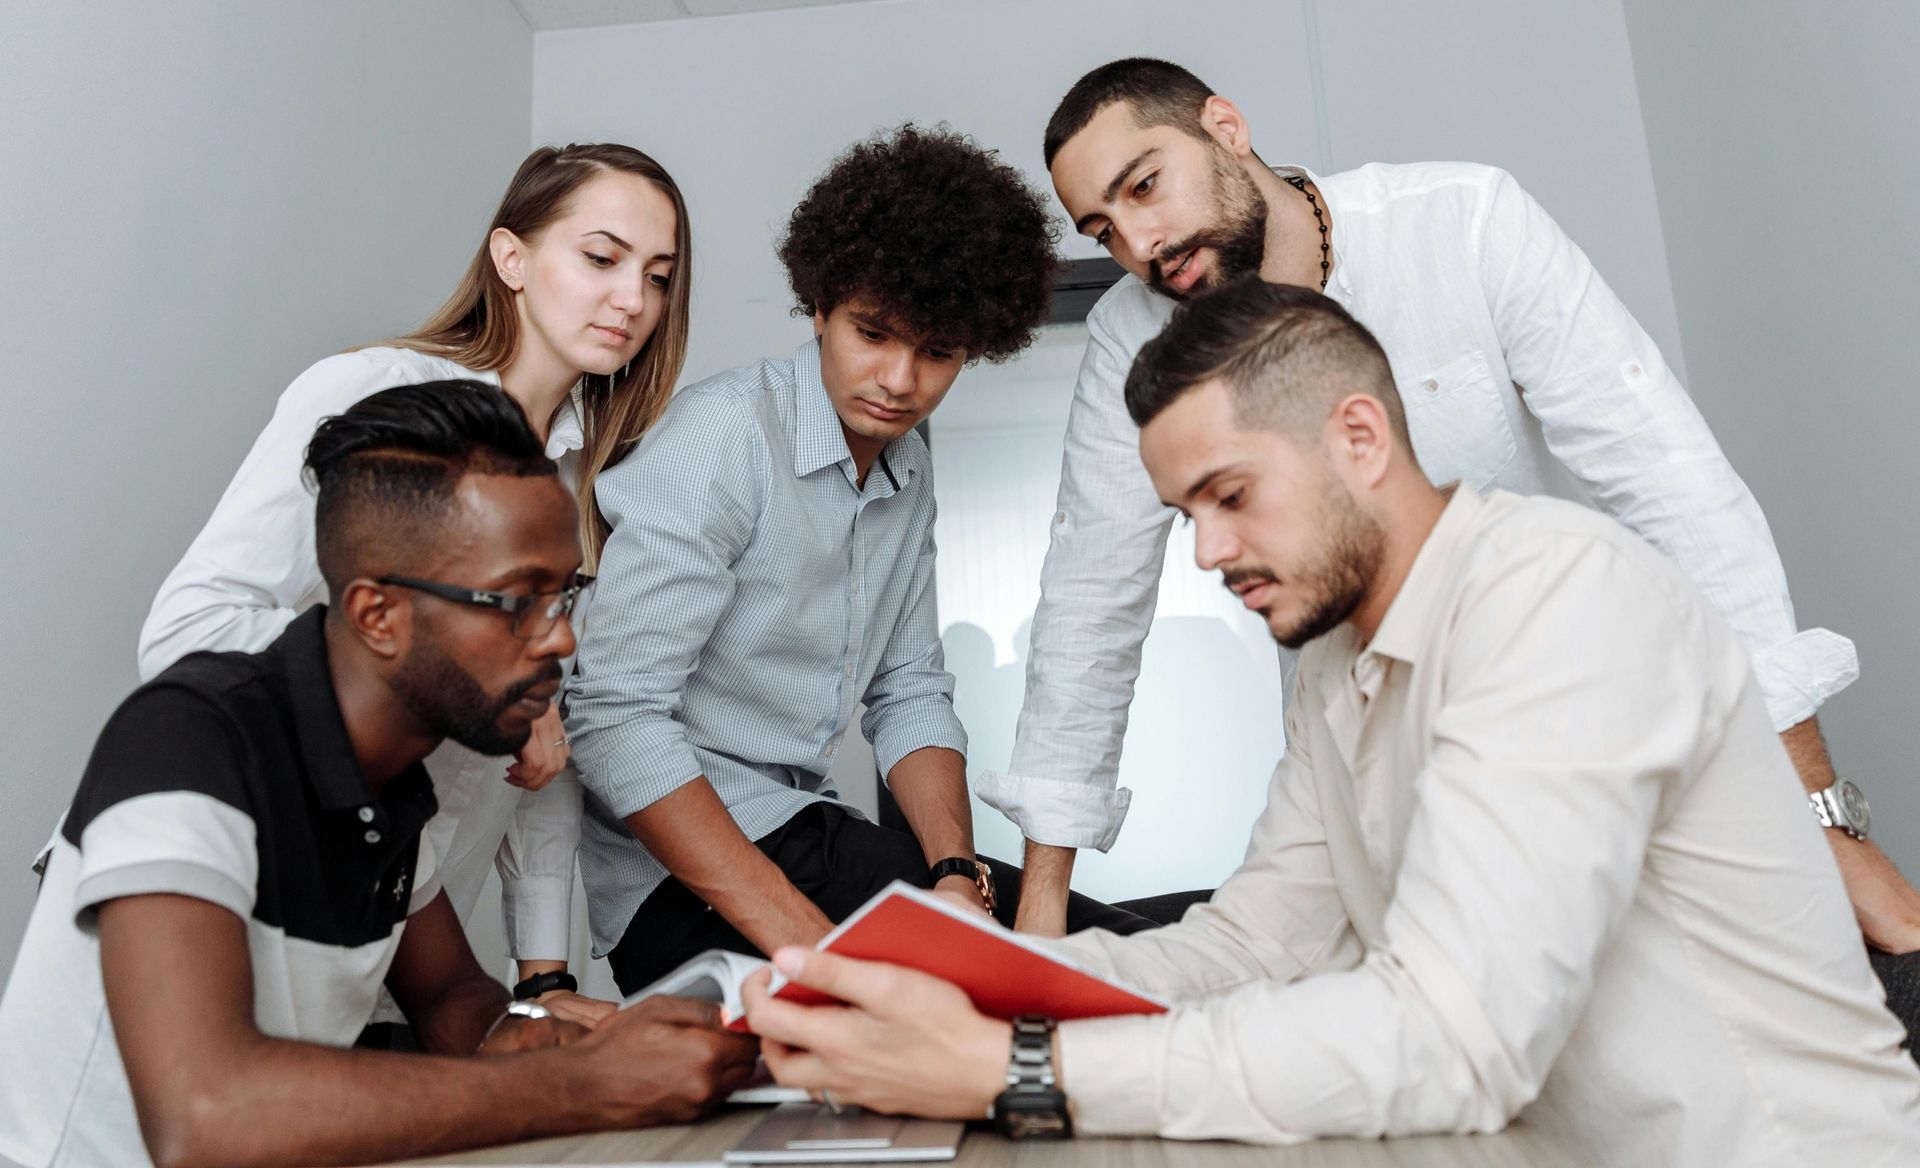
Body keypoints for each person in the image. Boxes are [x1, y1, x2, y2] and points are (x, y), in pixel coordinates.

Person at [740, 282, 1920, 1167]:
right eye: (1182, 511)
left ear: (1359, 439)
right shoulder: (1336, 655)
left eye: (1230, 496)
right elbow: (1251, 947)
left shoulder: (1557, 598)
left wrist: (1019, 1068)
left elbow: (1457, 1036)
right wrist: (986, 984)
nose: (1205, 553)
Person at [985, 57, 1918, 961]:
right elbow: (1089, 606)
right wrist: (1040, 925)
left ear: (1225, 129)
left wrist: (1818, 820)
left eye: (1145, 186)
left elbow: (1673, 483)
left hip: (1578, 727)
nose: (1138, 246)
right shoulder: (1128, 336)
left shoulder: (1462, 223)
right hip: (1364, 771)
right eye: (1102, 229)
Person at [0, 383, 756, 1168]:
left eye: (565, 592)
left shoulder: (394, 776)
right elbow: (205, 1116)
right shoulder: (188, 740)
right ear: (375, 615)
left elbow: (453, 1001)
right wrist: (583, 1084)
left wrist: (564, 1035)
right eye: (518, 600)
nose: (562, 638)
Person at [564, 125, 1150, 994]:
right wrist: (815, 950)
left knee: (1117, 946)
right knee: (1107, 967)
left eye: (938, 352)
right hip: (680, 886)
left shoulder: (908, 463)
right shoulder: (721, 440)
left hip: (807, 830)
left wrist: (957, 878)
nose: (900, 380)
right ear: (821, 305)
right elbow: (611, 719)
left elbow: (909, 689)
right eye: (873, 333)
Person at [134, 143, 692, 1020]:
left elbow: (547, 761)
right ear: (511, 257)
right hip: (274, 904)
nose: (633, 299)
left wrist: (542, 977)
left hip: (426, 959)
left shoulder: (596, 484)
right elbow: (187, 631)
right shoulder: (375, 392)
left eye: (659, 277)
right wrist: (469, 677)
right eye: (601, 257)